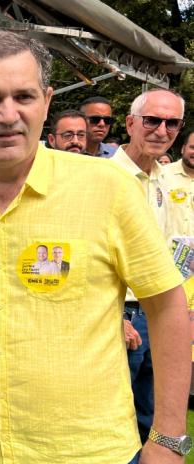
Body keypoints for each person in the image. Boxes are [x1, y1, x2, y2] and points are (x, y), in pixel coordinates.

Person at [0, 30, 190, 464]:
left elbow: (166, 307)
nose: (8, 115)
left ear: (46, 102)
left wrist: (168, 438)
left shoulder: (107, 188)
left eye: (23, 96)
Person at [111, 88, 190, 442]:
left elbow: (172, 246)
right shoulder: (103, 178)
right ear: (130, 123)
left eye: (172, 123)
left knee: (151, 411)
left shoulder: (166, 177)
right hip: (120, 315)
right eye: (152, 120)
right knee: (114, 412)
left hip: (160, 311)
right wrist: (115, 317)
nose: (162, 130)